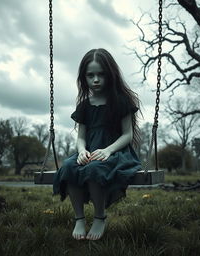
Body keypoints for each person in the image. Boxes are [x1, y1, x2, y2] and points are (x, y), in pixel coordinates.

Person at [53, 48, 142, 241]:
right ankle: (79, 218)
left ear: (110, 75)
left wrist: (108, 150)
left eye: (101, 74)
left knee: (94, 168)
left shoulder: (121, 101)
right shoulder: (85, 105)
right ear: (84, 77)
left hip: (116, 152)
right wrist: (82, 150)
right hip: (91, 151)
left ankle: (100, 217)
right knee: (69, 167)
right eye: (90, 75)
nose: (95, 80)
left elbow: (127, 134)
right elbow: (81, 137)